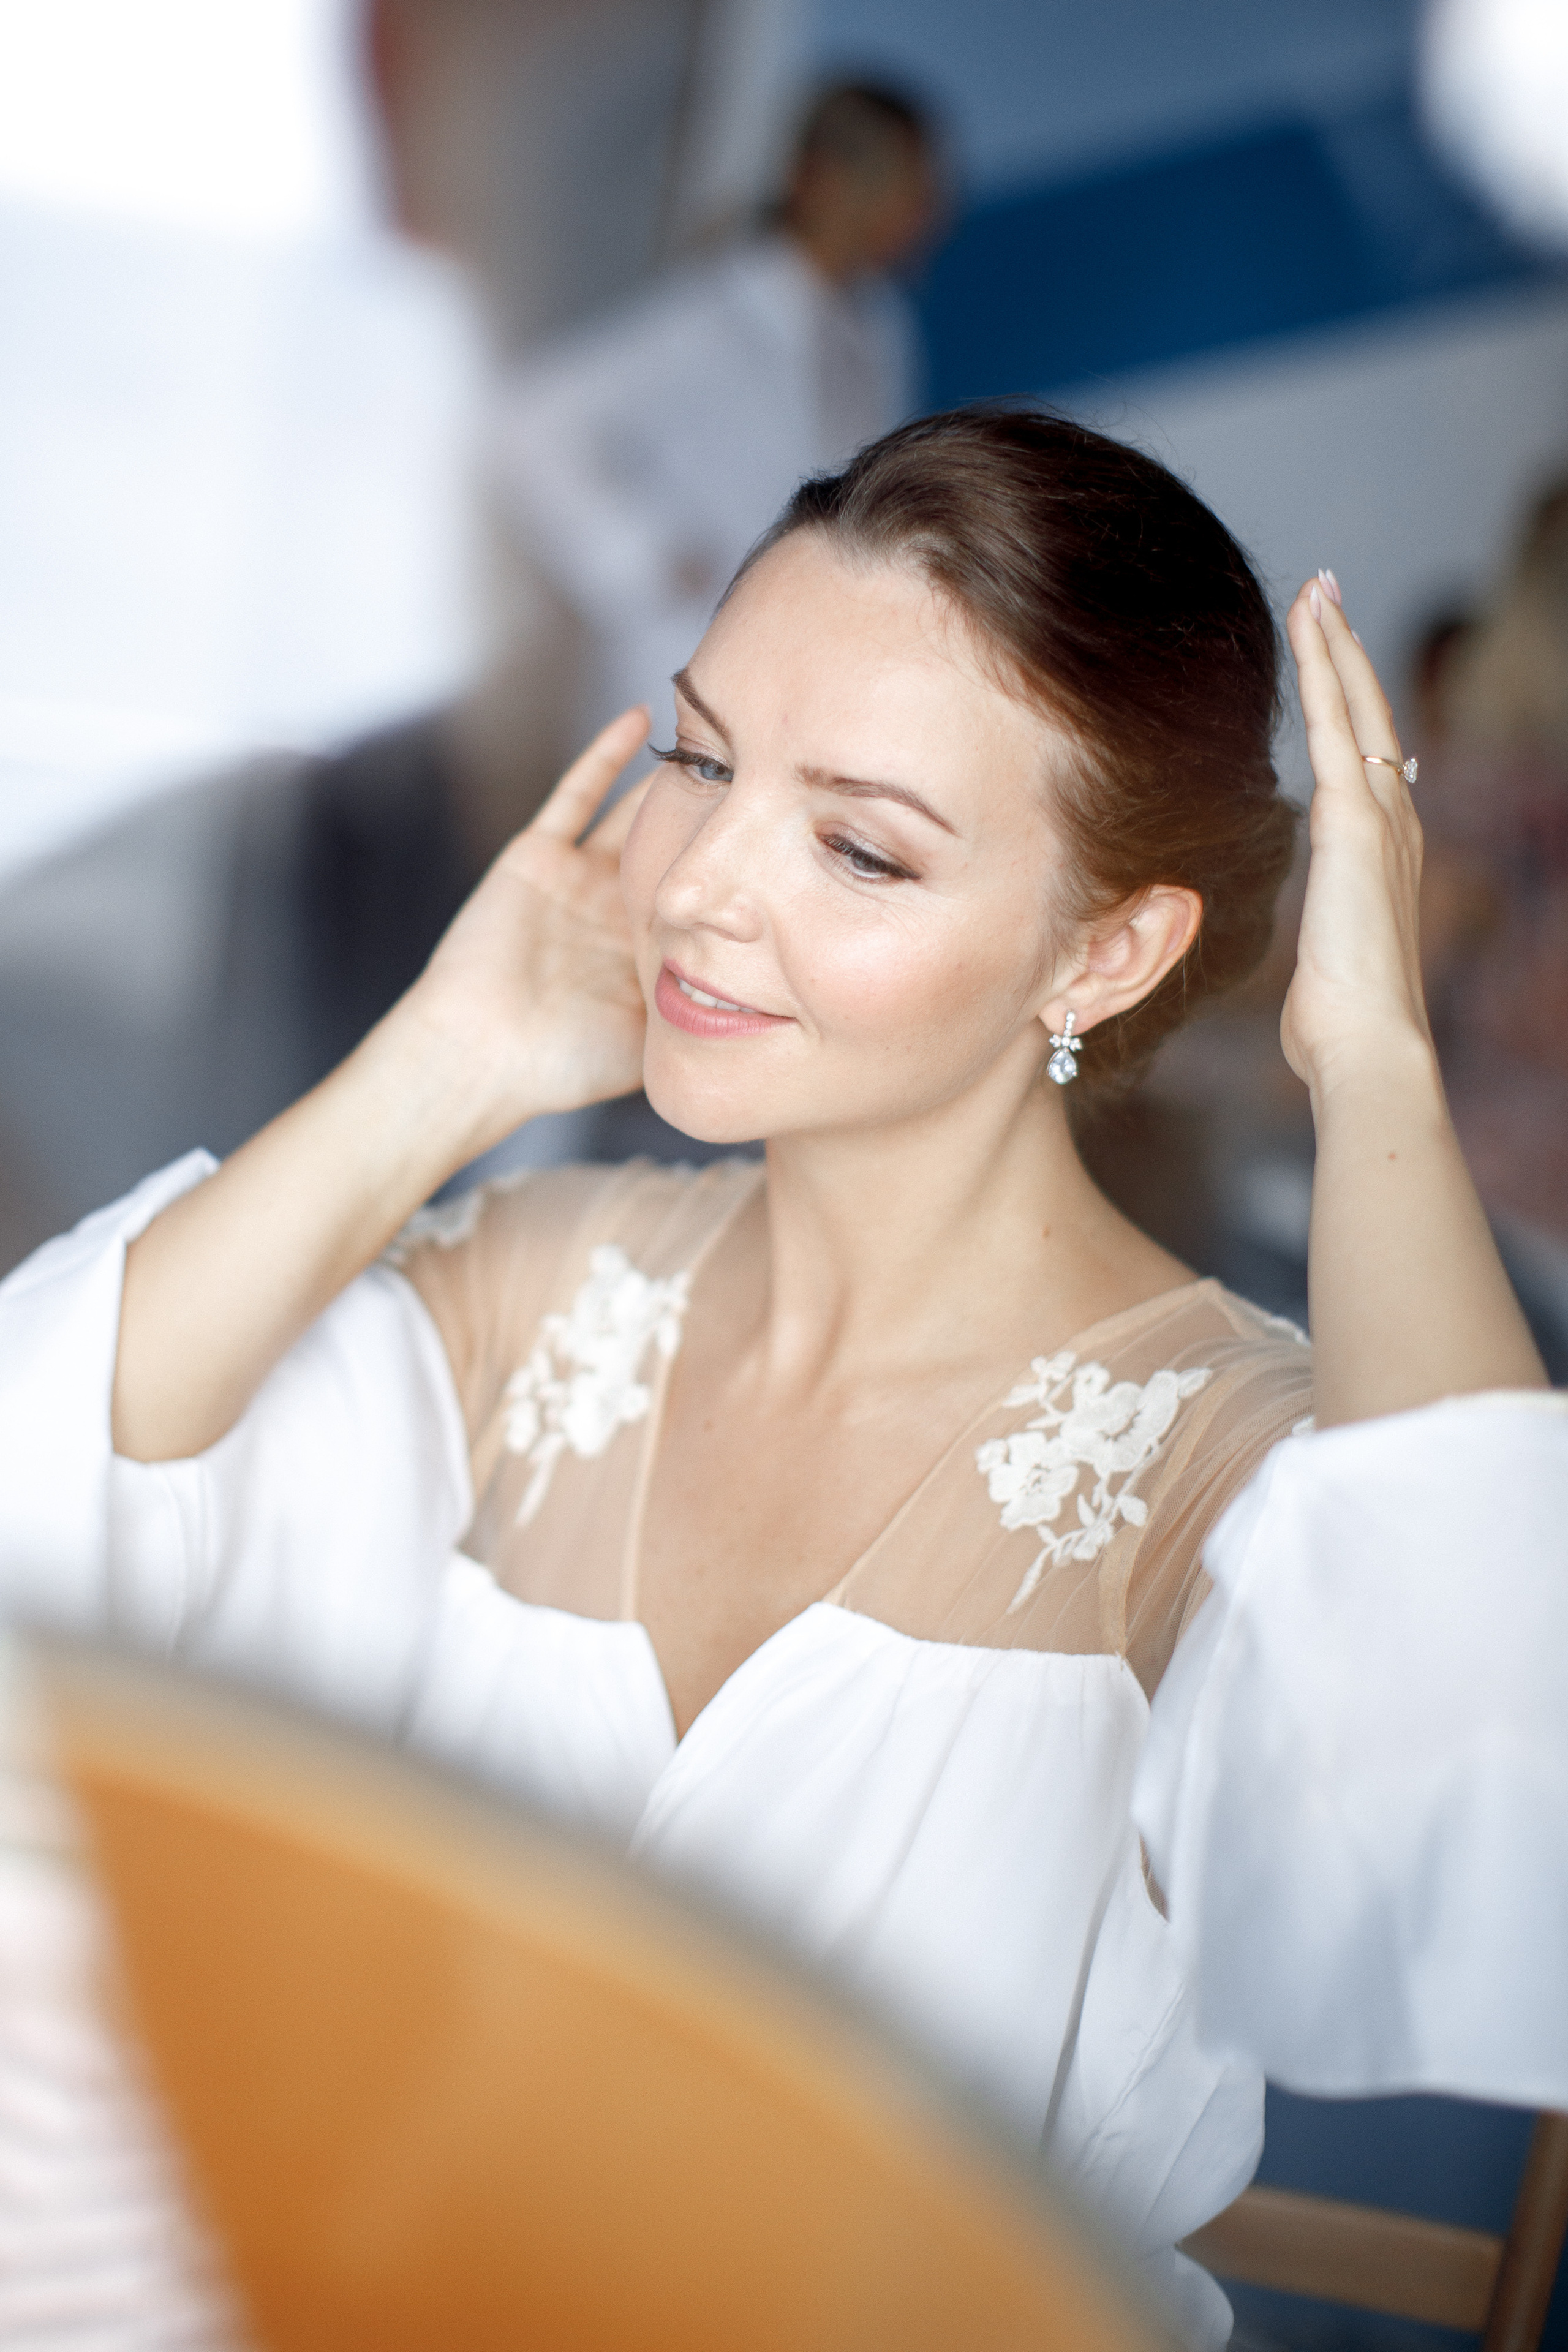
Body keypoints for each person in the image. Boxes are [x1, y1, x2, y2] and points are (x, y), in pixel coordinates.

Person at [1, 410, 1562, 2348]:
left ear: (1101, 950)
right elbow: (46, 1498)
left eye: (854, 843)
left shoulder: (1215, 1470)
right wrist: (447, 1058)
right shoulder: (539, 1294)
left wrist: (1372, 1065)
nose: (697, 886)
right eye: (696, 755)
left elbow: (1484, 1786)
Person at [489, 81, 940, 747]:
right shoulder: (710, 318)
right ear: (820, 180)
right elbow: (528, 426)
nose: (921, 216)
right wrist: (647, 560)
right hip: (680, 668)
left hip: (802, 677)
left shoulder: (877, 329)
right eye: (903, 188)